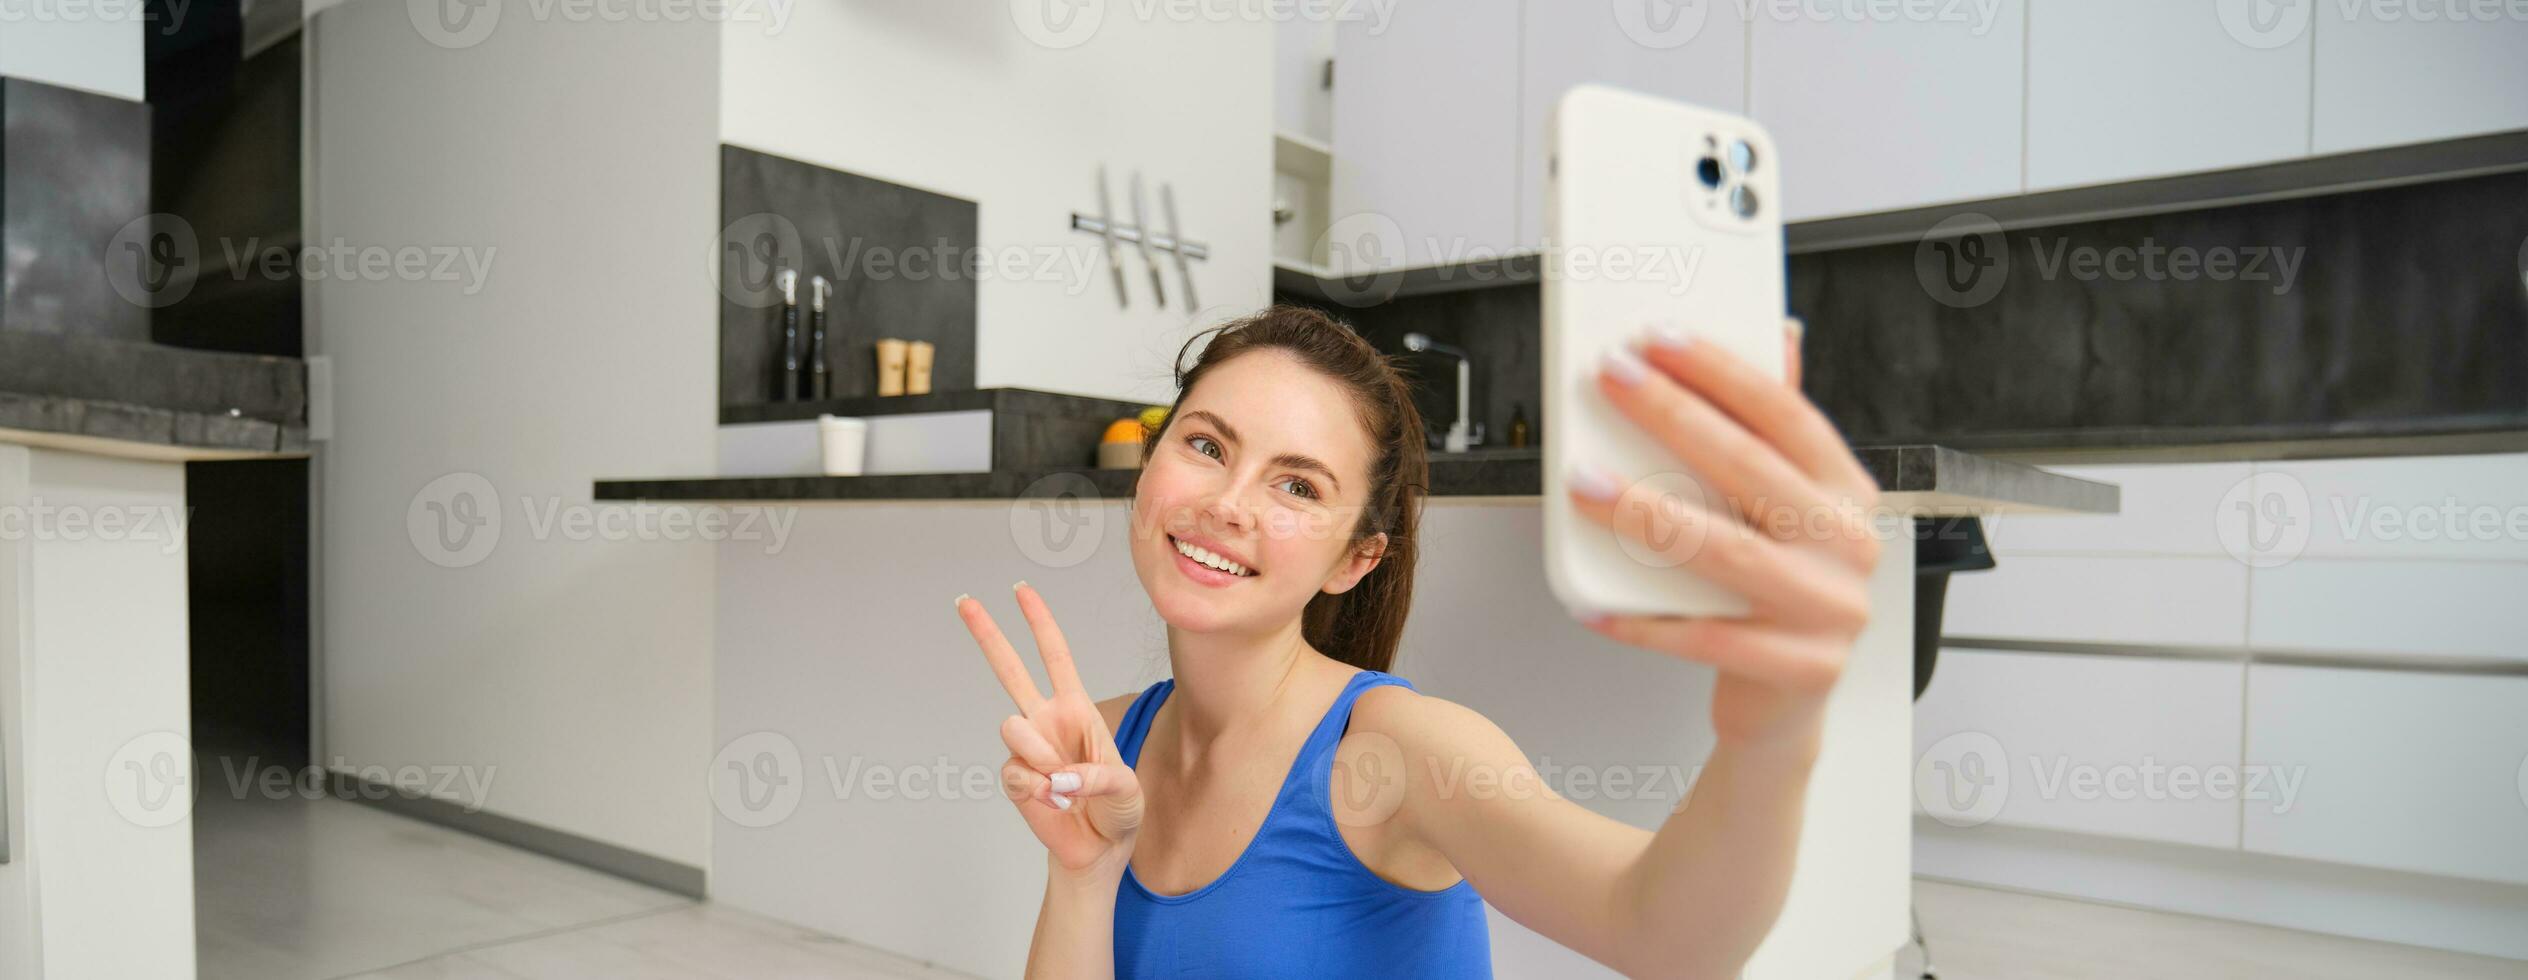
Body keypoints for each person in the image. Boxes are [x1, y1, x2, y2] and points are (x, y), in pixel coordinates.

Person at [953, 305, 1884, 978]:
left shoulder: (1398, 757)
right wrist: (1083, 876)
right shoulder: (1103, 749)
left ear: (1355, 560)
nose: (1226, 506)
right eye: (1205, 445)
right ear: (1149, 462)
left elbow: (1664, 935)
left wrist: (1776, 729)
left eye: (1298, 486)